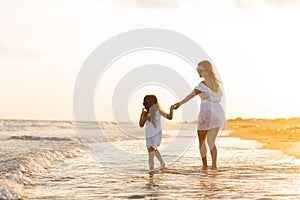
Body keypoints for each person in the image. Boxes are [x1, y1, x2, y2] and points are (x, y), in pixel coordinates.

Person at [173, 60, 226, 170]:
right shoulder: (217, 85)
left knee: (202, 141)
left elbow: (190, 96)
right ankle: (214, 166)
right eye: (198, 70)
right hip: (217, 114)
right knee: (211, 142)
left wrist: (179, 104)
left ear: (207, 71)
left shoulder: (202, 85)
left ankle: (205, 166)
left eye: (200, 70)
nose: (199, 73)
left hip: (206, 113)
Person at [139, 95, 175, 171]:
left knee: (151, 151)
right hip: (149, 135)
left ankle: (151, 169)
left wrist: (171, 110)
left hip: (156, 135)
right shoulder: (146, 113)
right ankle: (162, 164)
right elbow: (141, 125)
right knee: (152, 149)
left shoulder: (159, 111)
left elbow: (169, 117)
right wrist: (142, 115)